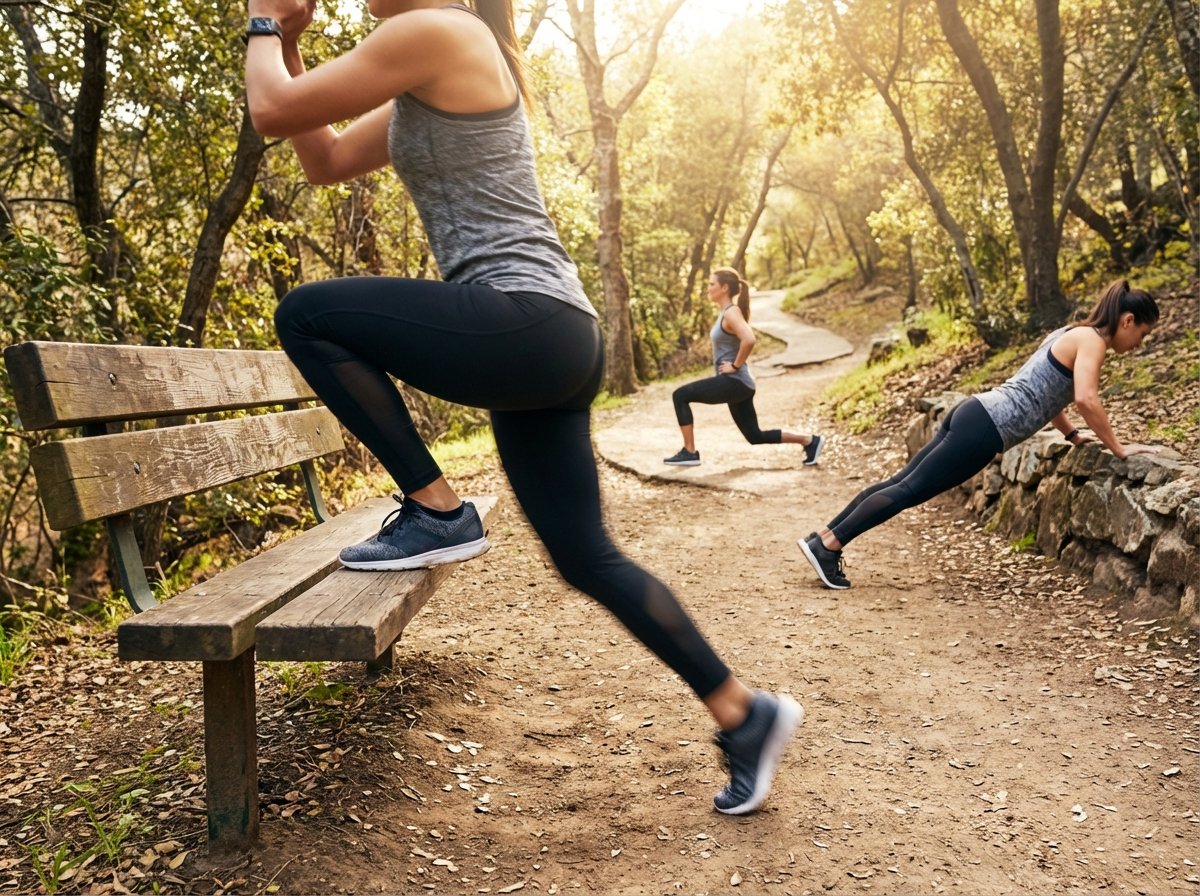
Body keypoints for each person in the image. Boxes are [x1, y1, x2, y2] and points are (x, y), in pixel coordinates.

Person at [243, 0, 800, 813]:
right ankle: (743, 712)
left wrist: (261, 22)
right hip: (549, 337)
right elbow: (321, 158)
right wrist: (290, 43)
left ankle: (436, 510)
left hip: (524, 322)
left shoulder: (436, 30)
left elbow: (271, 110)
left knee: (306, 314)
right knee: (585, 557)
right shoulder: (422, 64)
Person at [799, 279, 1160, 590]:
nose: (1139, 344)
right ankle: (829, 546)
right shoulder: (1093, 342)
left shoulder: (1071, 332)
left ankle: (825, 538)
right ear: (1128, 320)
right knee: (908, 490)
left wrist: (1072, 436)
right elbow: (1086, 397)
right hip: (986, 427)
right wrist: (1119, 448)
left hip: (975, 411)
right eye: (1142, 334)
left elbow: (1049, 394)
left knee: (901, 482)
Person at [664, 268, 824, 467]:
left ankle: (689, 452)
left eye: (711, 284)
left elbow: (749, 339)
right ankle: (810, 440)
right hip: (740, 385)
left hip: (735, 382)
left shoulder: (731, 312)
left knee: (680, 395)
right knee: (754, 435)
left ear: (724, 288)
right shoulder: (726, 312)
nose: (708, 288)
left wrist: (734, 365)